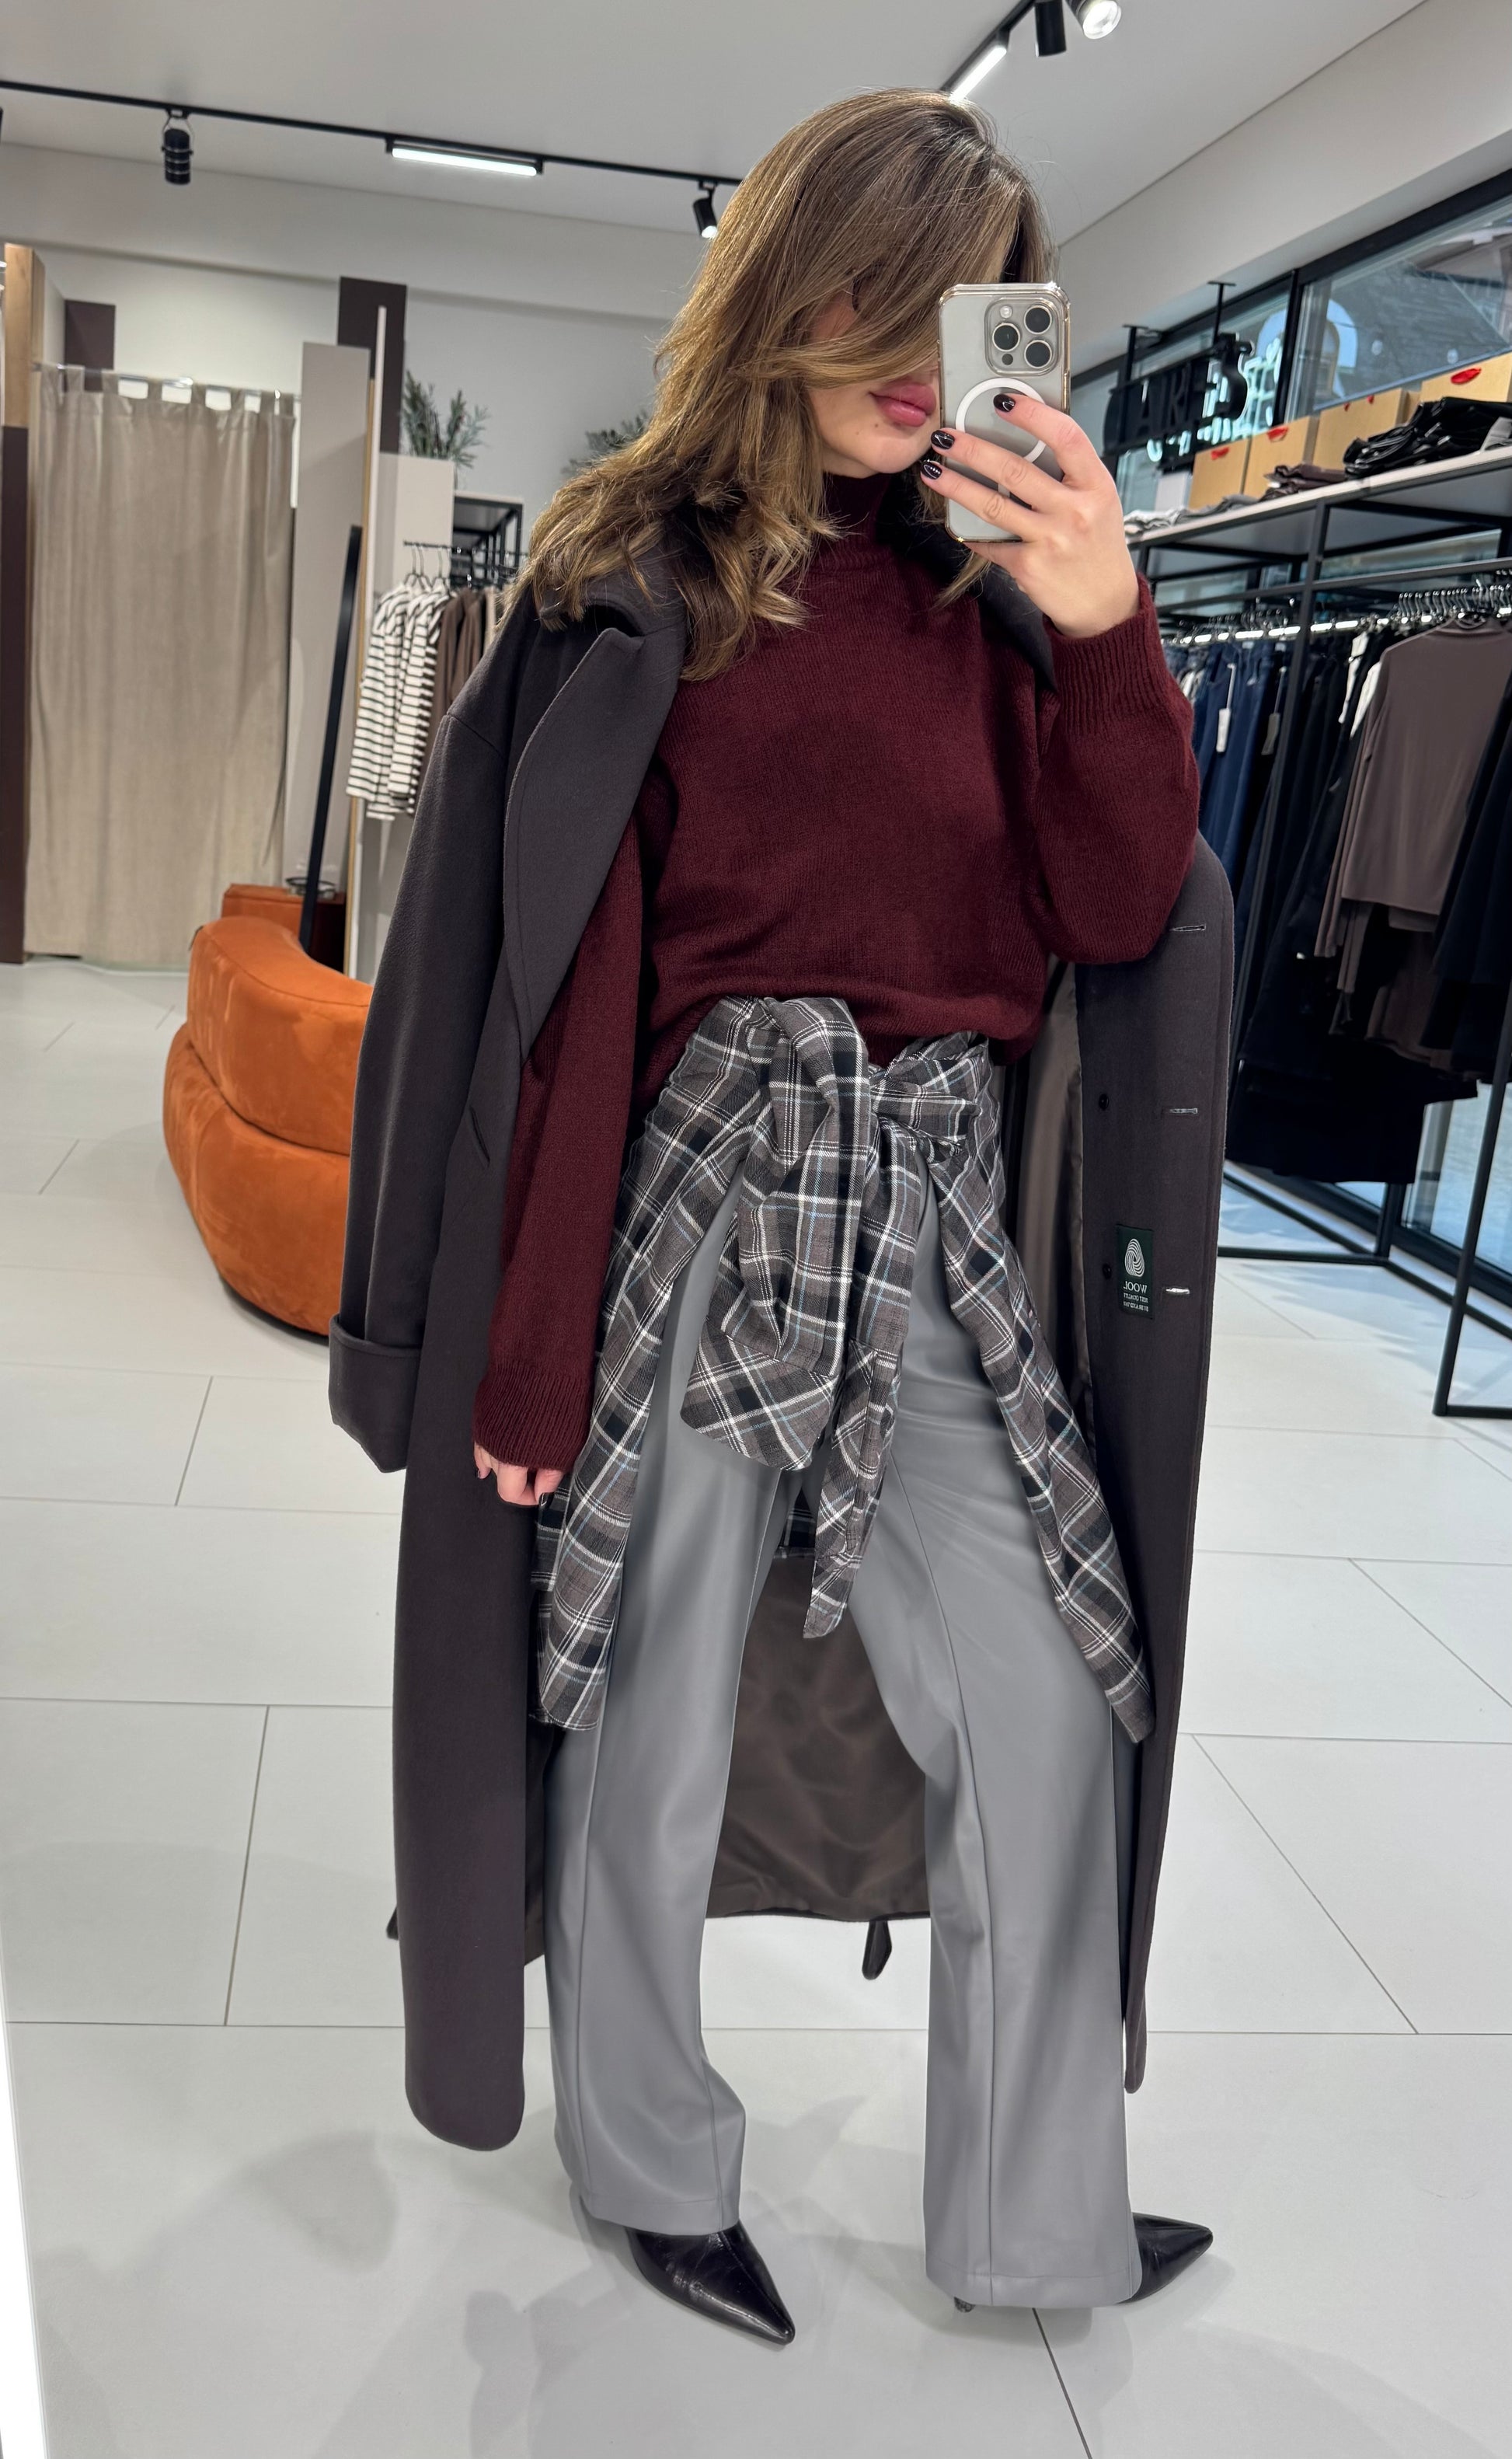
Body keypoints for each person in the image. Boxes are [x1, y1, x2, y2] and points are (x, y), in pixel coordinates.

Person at [333, 87, 1225, 2349]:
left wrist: (1107, 629)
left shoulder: (1003, 602)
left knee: (1050, 1696)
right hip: (704, 1202)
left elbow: (1119, 905)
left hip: (930, 1209)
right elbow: (548, 1007)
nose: (920, 354)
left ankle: (1033, 2216)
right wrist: (515, 1356)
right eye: (882, 293)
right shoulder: (630, 581)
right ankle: (649, 2165)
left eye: (969, 302)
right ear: (786, 289)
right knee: (643, 1721)